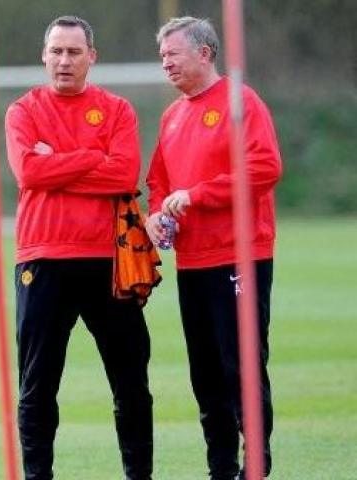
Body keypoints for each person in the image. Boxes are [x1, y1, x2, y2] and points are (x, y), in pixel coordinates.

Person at [5, 15, 154, 480]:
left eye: (74, 51)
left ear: (92, 57)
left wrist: (60, 161)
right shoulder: (22, 111)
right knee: (38, 384)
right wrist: (94, 157)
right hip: (43, 259)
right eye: (57, 51)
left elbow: (124, 174)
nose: (64, 60)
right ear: (43, 55)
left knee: (131, 381)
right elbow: (29, 172)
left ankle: (139, 475)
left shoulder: (117, 110)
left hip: (109, 262)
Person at [145, 17, 282, 479]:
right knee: (204, 373)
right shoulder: (172, 115)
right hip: (193, 260)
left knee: (240, 365)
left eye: (173, 54)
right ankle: (220, 467)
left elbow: (264, 167)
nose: (166, 63)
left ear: (204, 53)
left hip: (239, 255)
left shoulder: (241, 101)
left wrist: (198, 194)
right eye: (162, 56)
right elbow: (158, 180)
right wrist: (157, 211)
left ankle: (256, 466)